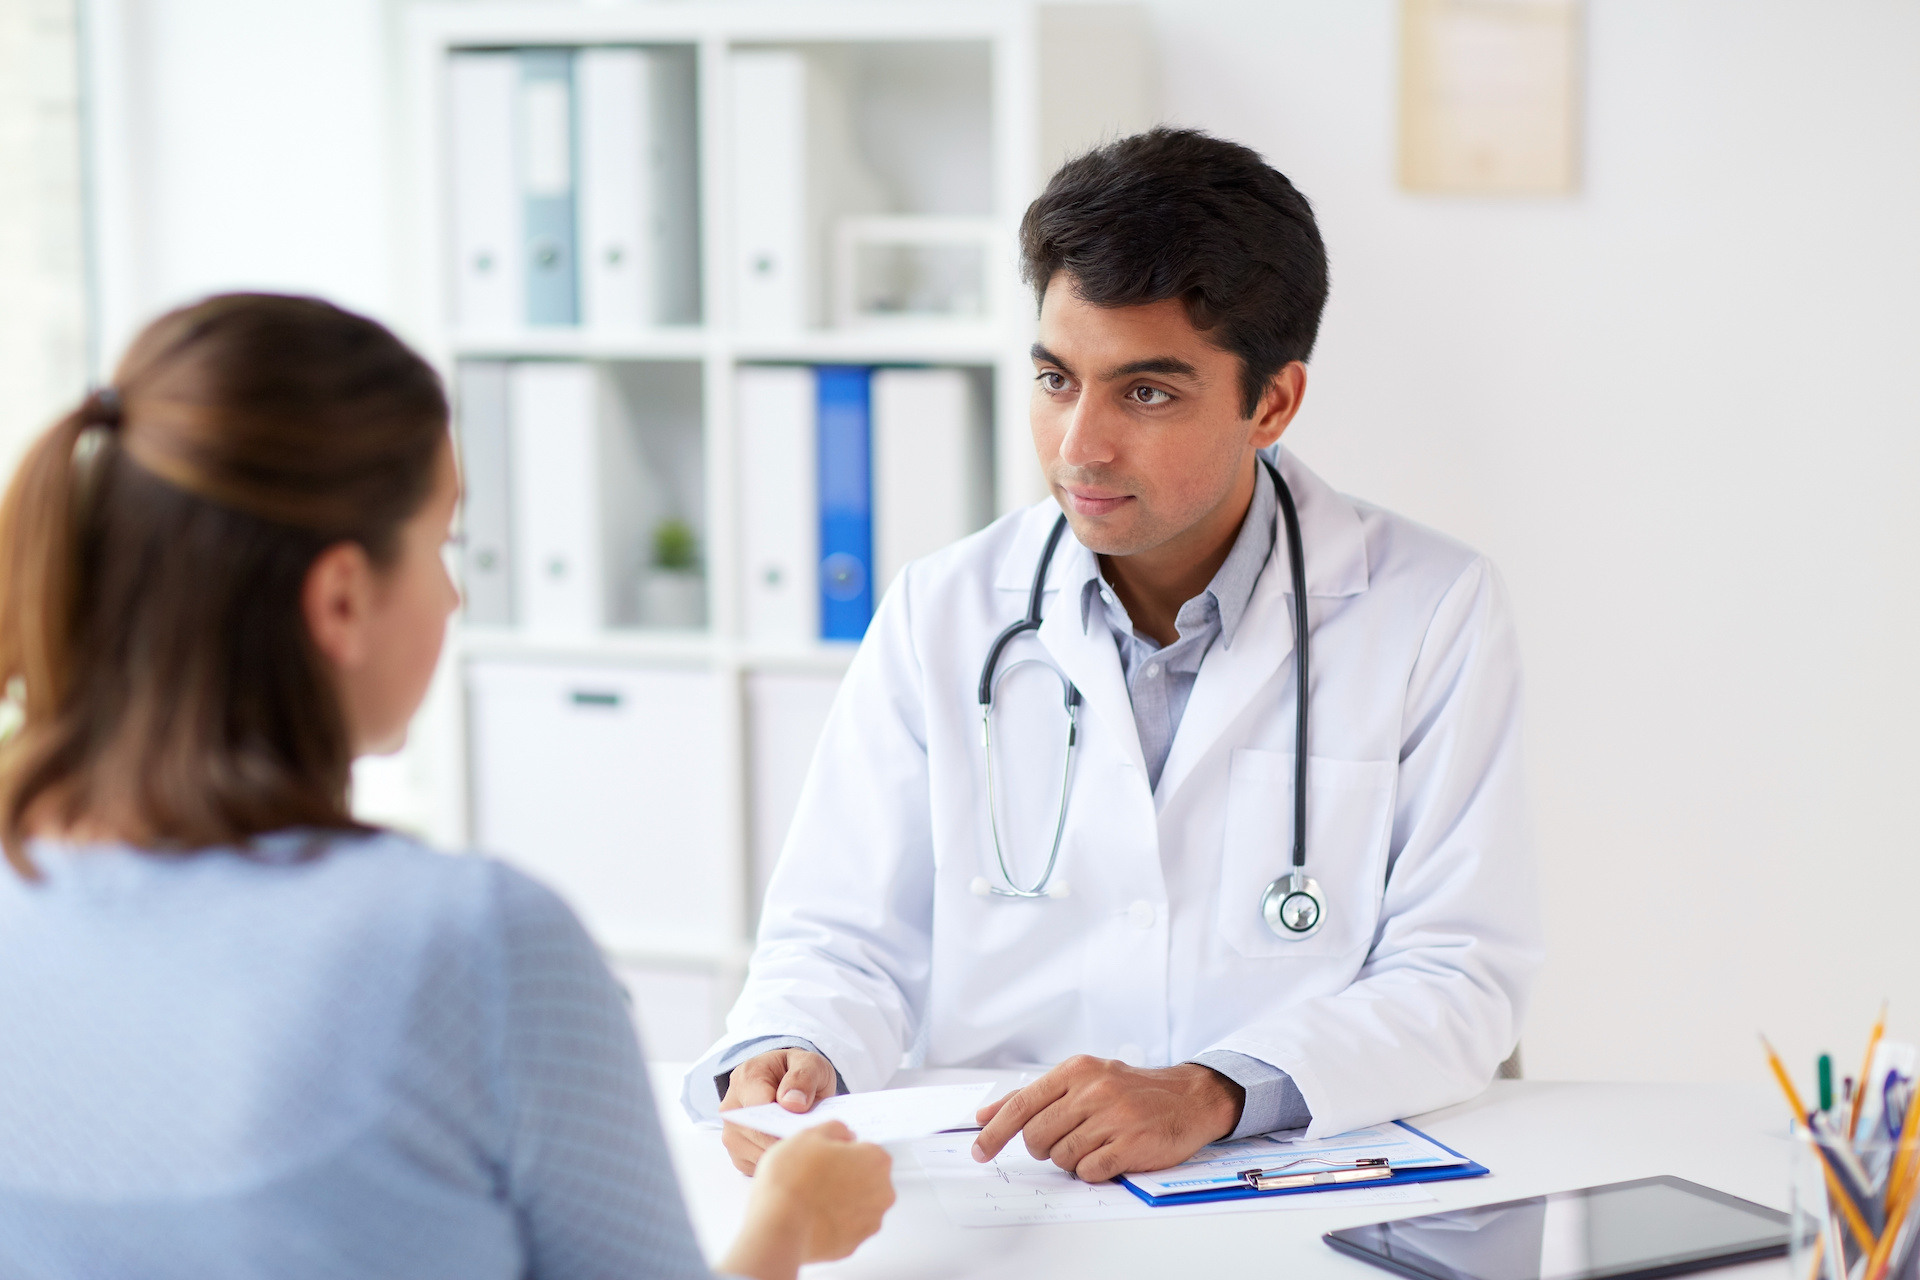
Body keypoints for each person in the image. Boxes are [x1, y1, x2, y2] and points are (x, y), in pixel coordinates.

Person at [687, 128, 1543, 1184]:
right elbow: (840, 939)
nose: (1079, 445)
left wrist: (1215, 1090)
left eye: (1146, 392)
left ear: (1270, 402)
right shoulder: (941, 611)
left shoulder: (1427, 608)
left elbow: (1459, 977)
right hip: (1002, 1184)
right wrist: (796, 1042)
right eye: (1055, 378)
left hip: (1282, 1182)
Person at [0, 293, 893, 1280]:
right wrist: (791, 1222)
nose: (454, 594)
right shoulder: (470, 944)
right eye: (439, 544)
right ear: (342, 597)